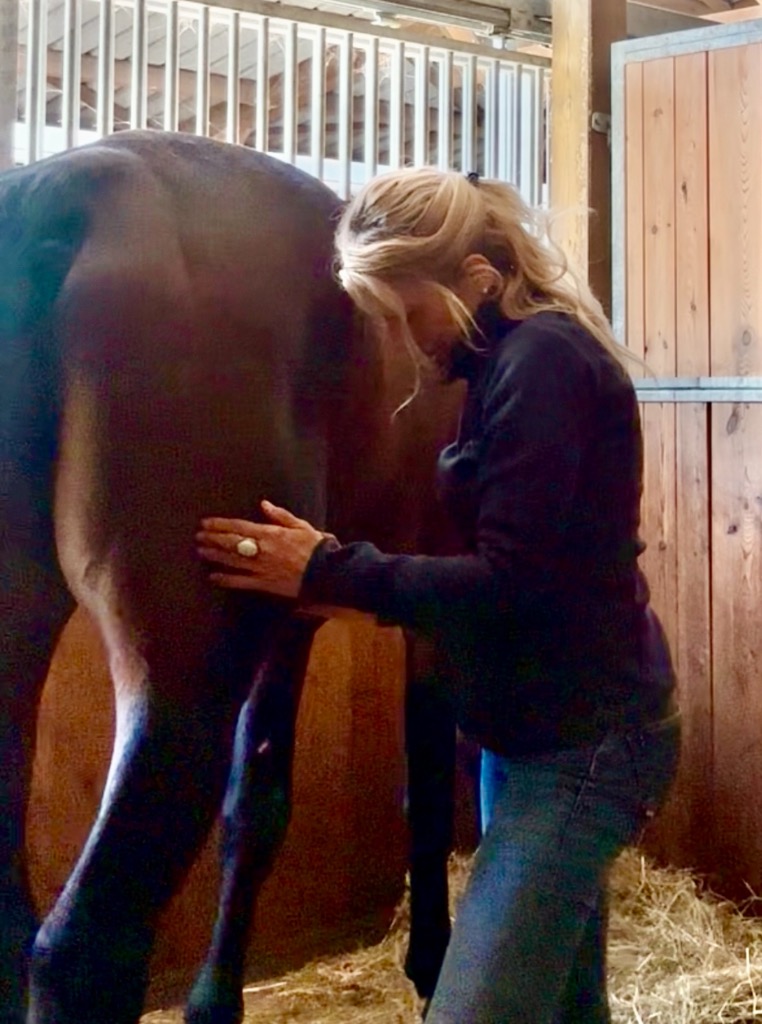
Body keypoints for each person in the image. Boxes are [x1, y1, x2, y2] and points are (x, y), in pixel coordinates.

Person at [195, 167, 681, 1024]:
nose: (402, 342)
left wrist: (330, 569)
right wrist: (339, 585)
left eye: (407, 314)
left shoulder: (544, 365)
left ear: (477, 280)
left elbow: (513, 580)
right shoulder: (496, 367)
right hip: (526, 735)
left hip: (584, 744)